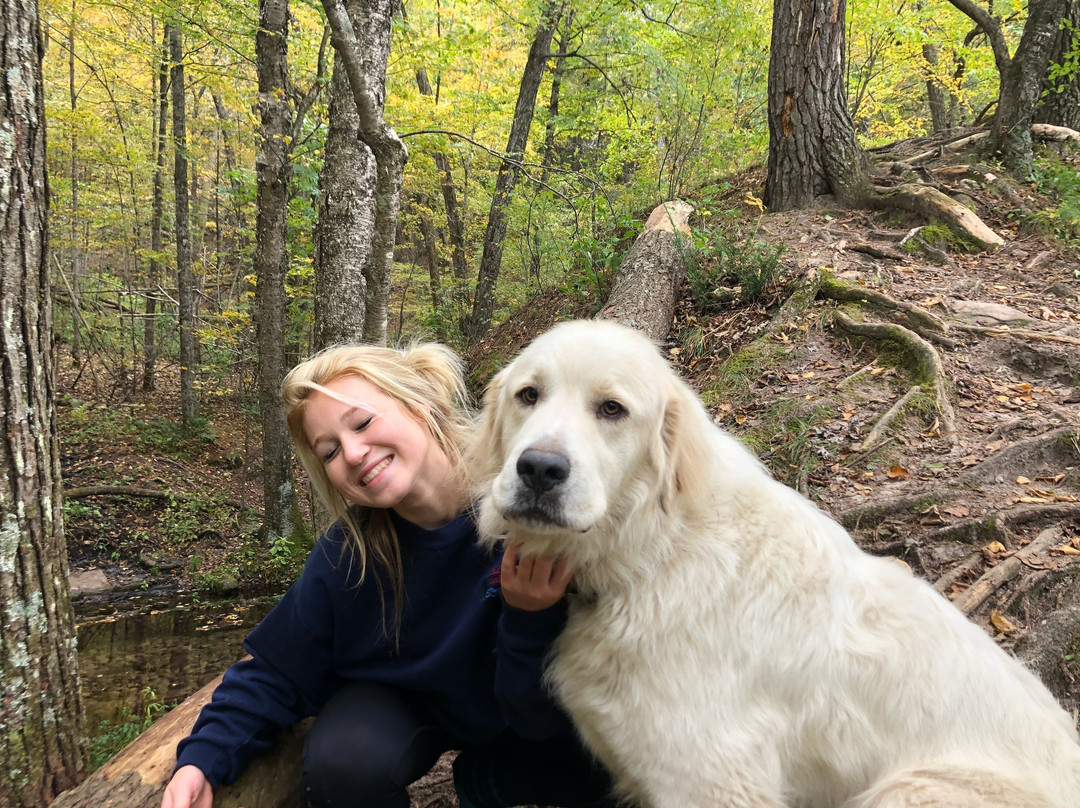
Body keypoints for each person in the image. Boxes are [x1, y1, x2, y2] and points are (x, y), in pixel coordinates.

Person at [161, 342, 615, 808]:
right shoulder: (347, 555)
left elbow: (551, 706)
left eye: (362, 423)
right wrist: (202, 758)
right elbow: (276, 671)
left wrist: (529, 619)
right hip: (410, 704)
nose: (354, 453)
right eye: (330, 451)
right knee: (342, 766)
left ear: (419, 405)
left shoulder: (529, 503)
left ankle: (490, 780)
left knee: (609, 767)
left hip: (530, 715)